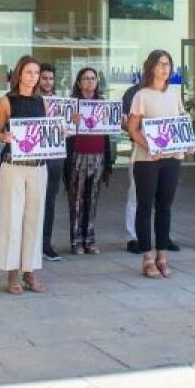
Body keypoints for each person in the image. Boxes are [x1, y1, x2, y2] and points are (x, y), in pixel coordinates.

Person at [128, 50, 190, 279]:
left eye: (168, 64)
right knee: (145, 207)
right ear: (152, 67)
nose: (165, 69)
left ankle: (162, 255)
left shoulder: (174, 94)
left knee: (165, 207)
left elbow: (181, 124)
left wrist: (188, 143)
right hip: (147, 160)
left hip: (172, 158)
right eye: (161, 64)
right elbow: (133, 129)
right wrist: (149, 146)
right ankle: (147, 256)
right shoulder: (141, 95)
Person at [0, 56, 50, 294]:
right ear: (19, 74)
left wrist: (60, 131)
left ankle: (30, 271)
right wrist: (4, 136)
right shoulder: (6, 101)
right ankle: (12, 272)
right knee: (11, 217)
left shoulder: (42, 102)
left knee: (34, 219)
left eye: (36, 72)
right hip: (13, 164)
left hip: (38, 165)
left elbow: (47, 132)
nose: (33, 76)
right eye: (29, 72)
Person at [65, 67, 113, 254]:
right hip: (78, 154)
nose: (90, 81)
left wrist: (113, 119)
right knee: (76, 199)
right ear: (79, 82)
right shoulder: (72, 104)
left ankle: (90, 238)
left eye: (93, 78)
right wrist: (70, 120)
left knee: (92, 198)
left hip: (99, 155)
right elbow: (62, 129)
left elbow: (112, 128)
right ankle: (76, 240)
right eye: (86, 78)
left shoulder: (102, 104)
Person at [37, 63, 65, 261]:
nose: (47, 82)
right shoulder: (29, 101)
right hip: (34, 156)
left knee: (50, 201)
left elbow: (68, 129)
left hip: (55, 157)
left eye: (50, 78)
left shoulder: (61, 102)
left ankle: (45, 243)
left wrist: (72, 123)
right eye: (44, 77)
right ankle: (30, 243)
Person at [121, 82, 142, 253]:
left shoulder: (169, 92)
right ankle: (132, 236)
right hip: (140, 146)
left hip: (164, 150)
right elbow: (124, 121)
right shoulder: (133, 92)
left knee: (162, 195)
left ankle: (161, 236)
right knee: (135, 192)